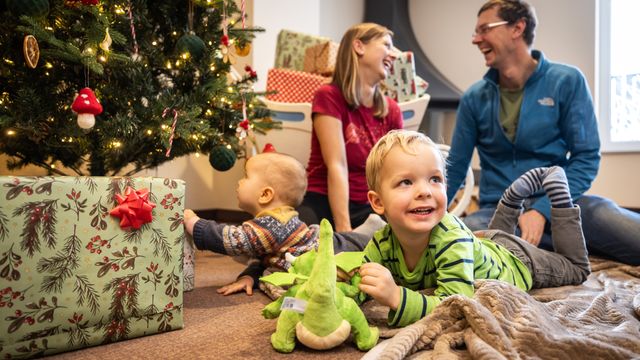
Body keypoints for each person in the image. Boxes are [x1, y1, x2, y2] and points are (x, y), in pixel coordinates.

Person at [445, 0, 640, 265]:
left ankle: (545, 248)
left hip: (564, 204)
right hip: (498, 212)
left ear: (517, 28)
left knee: (619, 226)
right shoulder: (473, 98)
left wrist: (543, 210)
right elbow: (455, 166)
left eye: (485, 29)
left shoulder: (567, 81)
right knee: (453, 250)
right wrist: (429, 215)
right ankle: (543, 252)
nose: (476, 39)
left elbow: (586, 157)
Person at [357, 130, 590, 327]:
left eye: (435, 179)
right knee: (493, 242)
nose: (425, 191)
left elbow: (456, 305)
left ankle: (557, 196)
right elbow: (356, 280)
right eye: (406, 182)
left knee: (575, 270)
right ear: (377, 202)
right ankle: (512, 200)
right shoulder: (381, 242)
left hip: (518, 260)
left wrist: (397, 297)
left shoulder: (450, 240)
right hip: (484, 246)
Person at [183, 152, 379, 296]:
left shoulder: (275, 224)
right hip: (328, 242)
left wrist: (195, 223)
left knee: (375, 247)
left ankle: (374, 231)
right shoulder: (270, 227)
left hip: (339, 248)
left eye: (246, 177)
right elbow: (267, 259)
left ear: (266, 194)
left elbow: (235, 240)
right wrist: (249, 276)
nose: (239, 182)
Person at [296, 22, 404, 233]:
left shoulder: (392, 110)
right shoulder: (329, 96)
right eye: (386, 45)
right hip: (324, 198)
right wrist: (344, 230)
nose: (393, 55)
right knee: (297, 239)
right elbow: (337, 165)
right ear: (359, 46)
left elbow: (397, 169)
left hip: (370, 204)